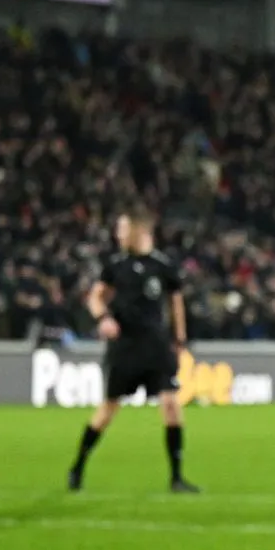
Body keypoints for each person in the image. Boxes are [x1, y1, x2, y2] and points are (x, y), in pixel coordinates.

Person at [68, 208, 199, 494]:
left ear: (140, 231)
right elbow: (95, 298)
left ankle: (176, 478)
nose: (118, 234)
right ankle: (77, 467)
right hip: (125, 347)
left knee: (171, 405)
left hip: (156, 346)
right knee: (108, 409)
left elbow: (175, 303)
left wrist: (180, 339)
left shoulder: (163, 265)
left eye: (123, 229)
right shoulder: (115, 265)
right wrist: (104, 318)